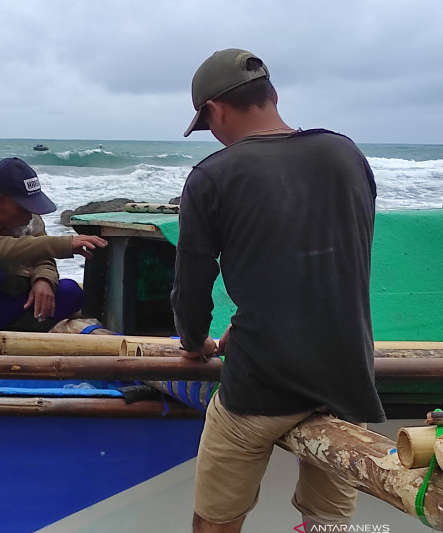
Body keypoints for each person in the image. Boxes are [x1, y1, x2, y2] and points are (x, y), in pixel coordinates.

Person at [172, 48, 386, 532]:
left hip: (261, 383)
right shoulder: (346, 153)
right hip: (348, 377)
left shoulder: (212, 176)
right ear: (272, 95)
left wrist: (194, 342)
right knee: (331, 521)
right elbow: (332, 262)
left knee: (218, 514)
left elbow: (191, 287)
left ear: (216, 110)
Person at [0, 157, 107, 332]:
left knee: (70, 292)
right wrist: (64, 244)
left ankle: (11, 334)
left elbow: (42, 257)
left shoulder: (30, 217)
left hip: (9, 299)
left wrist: (43, 280)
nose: (29, 216)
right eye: (23, 209)